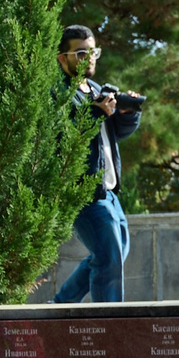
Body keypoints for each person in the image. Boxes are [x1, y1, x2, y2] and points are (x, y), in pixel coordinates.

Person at [51, 24, 143, 303]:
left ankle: (63, 303)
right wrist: (95, 113)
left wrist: (126, 114)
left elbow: (114, 135)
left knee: (116, 251)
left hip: (108, 190)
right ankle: (109, 324)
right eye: (80, 53)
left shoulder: (93, 89)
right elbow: (64, 138)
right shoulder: (58, 94)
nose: (89, 58)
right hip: (83, 191)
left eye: (93, 52)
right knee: (108, 256)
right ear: (62, 58)